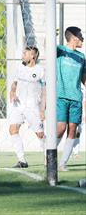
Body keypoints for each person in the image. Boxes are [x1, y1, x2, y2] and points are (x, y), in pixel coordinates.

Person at [8, 46, 46, 168]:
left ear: (33, 56)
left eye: (25, 53)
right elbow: (14, 83)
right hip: (18, 104)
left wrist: (42, 109)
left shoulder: (40, 70)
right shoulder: (19, 68)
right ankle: (22, 160)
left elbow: (45, 91)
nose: (23, 55)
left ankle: (48, 157)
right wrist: (13, 91)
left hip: (33, 106)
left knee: (40, 134)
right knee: (13, 129)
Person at [56, 26, 86, 171]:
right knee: (61, 128)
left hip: (76, 98)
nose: (83, 39)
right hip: (61, 96)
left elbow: (84, 78)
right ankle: (48, 154)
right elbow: (46, 48)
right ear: (74, 38)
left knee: (73, 129)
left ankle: (63, 163)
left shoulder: (82, 57)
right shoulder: (60, 50)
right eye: (81, 36)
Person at [72, 85, 85, 159]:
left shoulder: (83, 87)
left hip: (80, 112)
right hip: (72, 111)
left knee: (78, 133)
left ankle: (76, 152)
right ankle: (69, 151)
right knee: (70, 131)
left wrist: (84, 114)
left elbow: (84, 101)